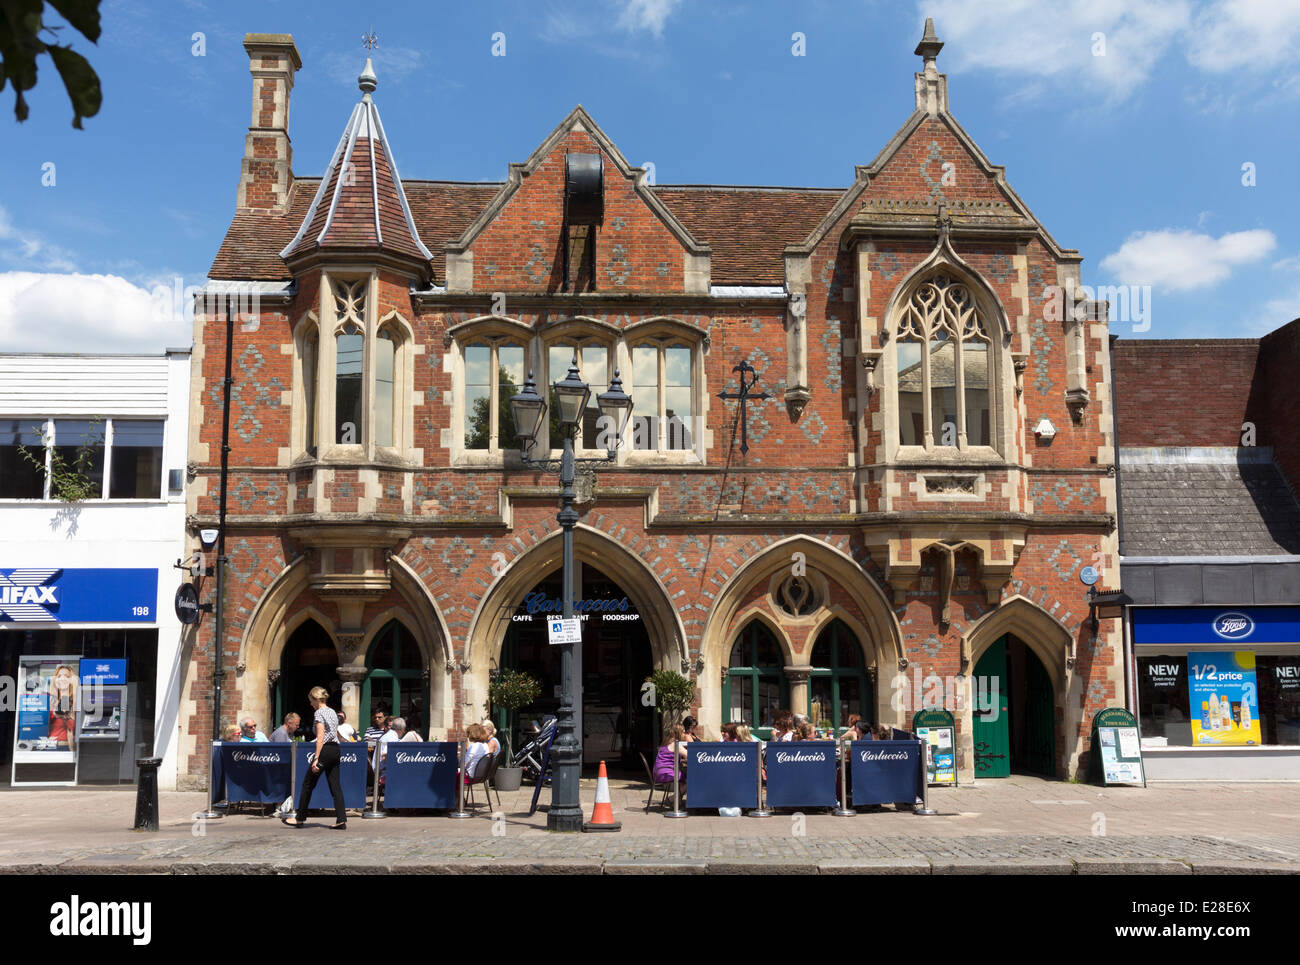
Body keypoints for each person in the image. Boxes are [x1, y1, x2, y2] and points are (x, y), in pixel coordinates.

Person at [283, 686, 346, 830]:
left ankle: (300, 818)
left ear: (316, 699)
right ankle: (341, 819)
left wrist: (316, 758)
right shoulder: (332, 711)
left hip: (325, 750)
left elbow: (320, 737)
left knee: (307, 784)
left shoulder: (319, 713)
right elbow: (334, 733)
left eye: (311, 701)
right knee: (335, 786)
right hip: (335, 749)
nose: (310, 704)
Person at [653, 723, 689, 797]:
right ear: (679, 732)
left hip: (659, 772)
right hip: (665, 772)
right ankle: (672, 799)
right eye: (683, 732)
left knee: (685, 777)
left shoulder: (667, 741)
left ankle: (677, 801)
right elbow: (690, 756)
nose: (685, 734)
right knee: (692, 780)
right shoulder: (675, 744)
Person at [48, 665, 77, 749]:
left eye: (67, 676)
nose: (62, 678)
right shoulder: (50, 700)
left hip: (68, 746)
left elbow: (72, 727)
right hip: (52, 745)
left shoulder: (75, 701)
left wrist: (64, 716)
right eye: (59, 676)